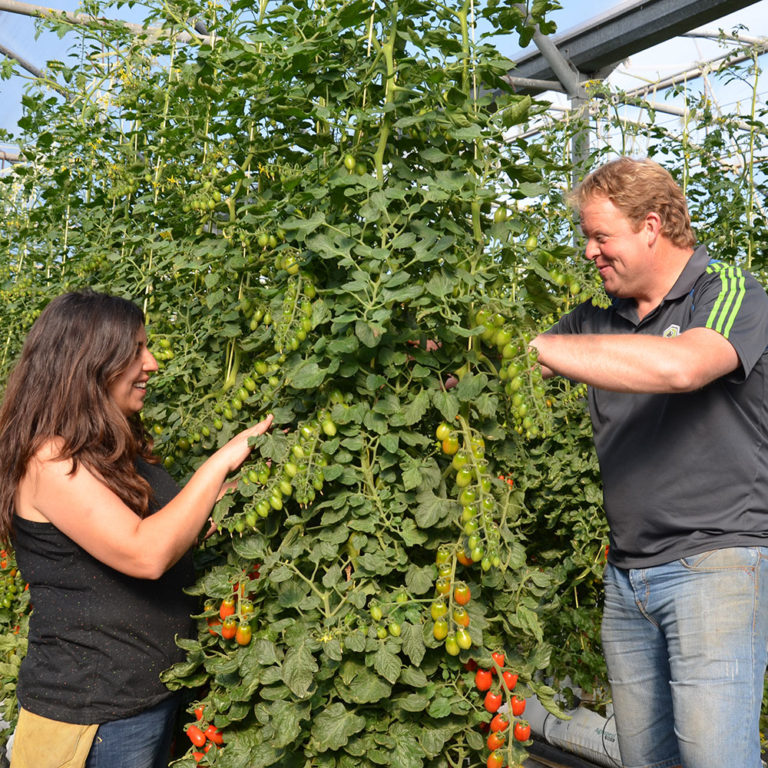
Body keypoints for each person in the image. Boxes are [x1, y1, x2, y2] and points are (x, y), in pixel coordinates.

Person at [530, 156, 768, 768]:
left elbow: (681, 367)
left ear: (652, 226)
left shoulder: (728, 292)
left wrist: (546, 349)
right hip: (628, 578)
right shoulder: (593, 321)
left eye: (600, 236)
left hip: (715, 566)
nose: (590, 252)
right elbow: (507, 362)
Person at [0, 291, 273, 768]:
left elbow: (177, 527)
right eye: (136, 350)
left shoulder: (108, 445)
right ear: (89, 362)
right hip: (92, 717)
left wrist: (254, 479)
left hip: (144, 699)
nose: (152, 363)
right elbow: (145, 552)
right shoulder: (48, 459)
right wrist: (222, 460)